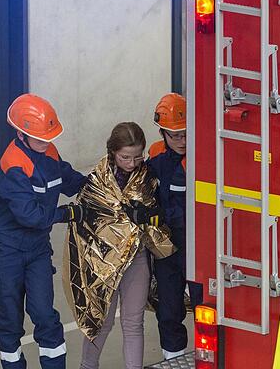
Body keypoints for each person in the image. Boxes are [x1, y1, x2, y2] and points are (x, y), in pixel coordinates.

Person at [0, 93, 89, 369]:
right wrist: (68, 213)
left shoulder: (49, 152)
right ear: (21, 134)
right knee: (10, 319)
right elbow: (30, 215)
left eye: (49, 137)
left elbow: (68, 179)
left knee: (45, 315)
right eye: (40, 138)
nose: (46, 142)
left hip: (37, 249)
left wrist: (97, 185)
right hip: (7, 250)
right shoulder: (14, 165)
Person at [63, 122, 175, 369]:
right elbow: (85, 222)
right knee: (100, 321)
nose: (132, 163)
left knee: (133, 323)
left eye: (138, 156)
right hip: (103, 261)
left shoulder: (149, 177)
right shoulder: (97, 180)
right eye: (125, 157)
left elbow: (161, 218)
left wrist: (150, 214)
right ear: (112, 152)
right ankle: (87, 366)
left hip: (136, 258)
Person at [147, 93, 202, 360]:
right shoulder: (156, 160)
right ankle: (173, 359)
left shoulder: (206, 158)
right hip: (168, 250)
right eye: (174, 135)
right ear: (163, 134)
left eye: (185, 134)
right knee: (168, 311)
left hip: (200, 247)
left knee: (206, 309)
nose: (181, 141)